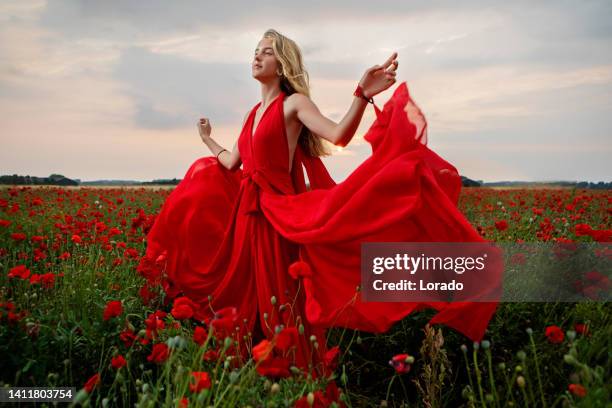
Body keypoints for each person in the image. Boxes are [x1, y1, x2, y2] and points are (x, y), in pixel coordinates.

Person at [137, 29, 500, 378]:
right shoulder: (251, 114)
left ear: (281, 64)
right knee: (250, 299)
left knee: (282, 301)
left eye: (266, 52)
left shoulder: (293, 103)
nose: (257, 56)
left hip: (278, 215)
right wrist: (208, 141)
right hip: (248, 217)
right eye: (255, 51)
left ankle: (299, 376)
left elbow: (339, 135)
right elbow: (232, 163)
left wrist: (361, 94)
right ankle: (259, 372)